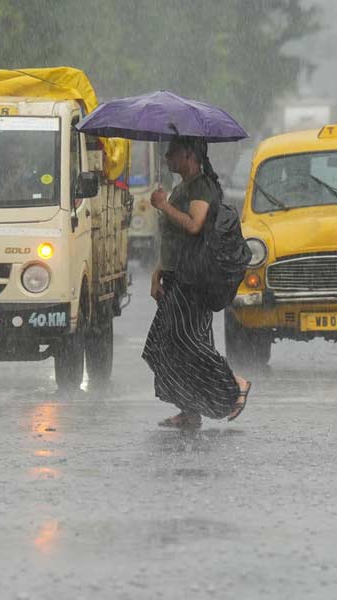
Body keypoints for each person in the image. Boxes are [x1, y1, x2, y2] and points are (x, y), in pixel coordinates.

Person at [142, 136, 252, 429]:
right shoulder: (182, 188)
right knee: (164, 345)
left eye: (172, 152)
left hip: (192, 280)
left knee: (186, 342)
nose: (166, 158)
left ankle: (234, 383)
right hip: (175, 275)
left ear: (190, 155)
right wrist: (156, 274)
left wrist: (164, 206)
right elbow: (172, 241)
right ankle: (189, 410)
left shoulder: (202, 186)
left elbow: (194, 225)